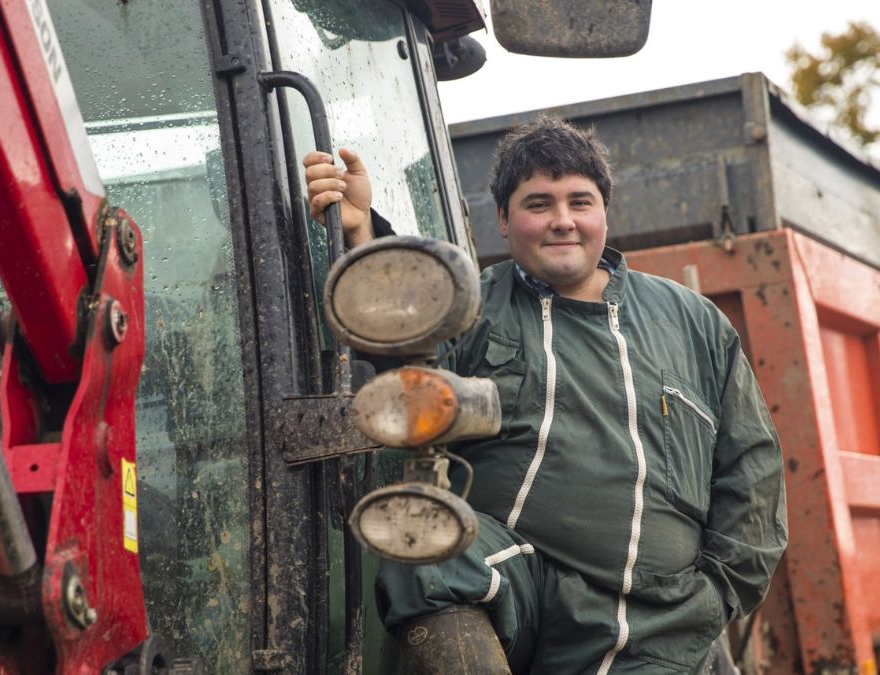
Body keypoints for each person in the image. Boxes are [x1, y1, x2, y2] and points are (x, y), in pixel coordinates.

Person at [303, 117, 787, 674]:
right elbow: (407, 349)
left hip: (659, 620)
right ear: (504, 222)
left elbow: (752, 468)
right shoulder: (475, 307)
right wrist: (362, 232)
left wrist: (717, 596)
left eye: (579, 202)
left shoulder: (692, 321)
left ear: (605, 214)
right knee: (424, 547)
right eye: (538, 204)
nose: (562, 221)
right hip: (522, 586)